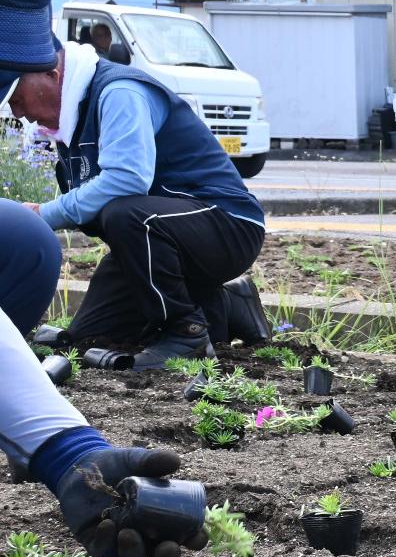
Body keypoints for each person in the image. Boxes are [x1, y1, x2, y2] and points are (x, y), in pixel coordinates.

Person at [0, 0, 198, 557]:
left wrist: (65, 449)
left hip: (208, 224)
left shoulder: (118, 92)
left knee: (20, 248)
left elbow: (127, 181)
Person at [5, 35, 266, 370]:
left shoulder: (118, 92)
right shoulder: (70, 116)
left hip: (227, 224)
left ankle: (186, 332)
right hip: (163, 235)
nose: (18, 113)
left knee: (125, 214)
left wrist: (43, 215)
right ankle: (225, 305)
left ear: (51, 75)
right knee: (88, 336)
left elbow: (127, 179)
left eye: (16, 97)